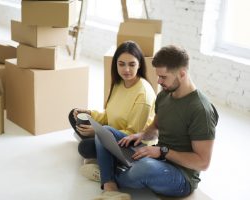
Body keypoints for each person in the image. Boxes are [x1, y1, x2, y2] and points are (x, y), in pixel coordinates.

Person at [88, 45, 219, 200]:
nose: (158, 81)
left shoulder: (201, 110)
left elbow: (202, 163)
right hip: (157, 157)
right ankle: (110, 184)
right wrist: (141, 134)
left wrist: (163, 151)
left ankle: (106, 171)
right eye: (158, 76)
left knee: (144, 168)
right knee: (105, 131)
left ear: (182, 74)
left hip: (180, 176)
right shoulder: (164, 95)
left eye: (163, 77)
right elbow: (155, 128)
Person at [68, 41, 156, 175]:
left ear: (139, 64)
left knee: (85, 147)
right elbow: (109, 115)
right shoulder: (119, 83)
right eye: (121, 64)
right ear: (116, 64)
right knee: (74, 115)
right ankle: (100, 153)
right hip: (111, 133)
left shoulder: (143, 95)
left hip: (133, 145)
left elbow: (133, 135)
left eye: (132, 64)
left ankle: (109, 164)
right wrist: (90, 113)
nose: (126, 70)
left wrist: (98, 133)